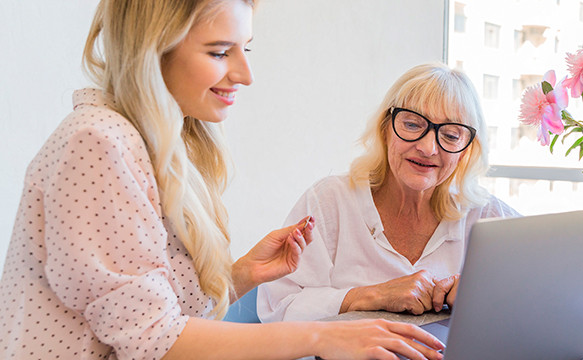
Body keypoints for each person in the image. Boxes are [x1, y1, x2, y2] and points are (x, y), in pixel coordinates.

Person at [0, 1, 445, 359]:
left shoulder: (156, 144)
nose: (245, 75)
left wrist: (243, 274)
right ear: (153, 47)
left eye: (244, 49)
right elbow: (154, 341)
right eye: (219, 52)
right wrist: (324, 338)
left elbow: (151, 309)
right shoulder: (98, 142)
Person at [257, 63, 521, 322]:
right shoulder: (330, 200)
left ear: (466, 151)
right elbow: (277, 308)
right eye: (413, 124)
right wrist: (370, 296)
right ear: (385, 128)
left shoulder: (488, 216)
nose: (428, 148)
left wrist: (485, 295)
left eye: (451, 135)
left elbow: (538, 297)